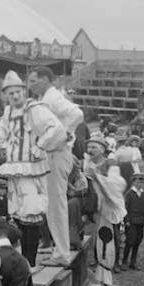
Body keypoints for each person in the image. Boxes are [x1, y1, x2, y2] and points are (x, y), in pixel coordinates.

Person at [0, 70, 67, 267]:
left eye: (18, 92)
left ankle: (31, 263)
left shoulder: (34, 108)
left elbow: (56, 128)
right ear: (6, 95)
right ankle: (24, 262)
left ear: (23, 91)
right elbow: (1, 131)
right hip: (14, 168)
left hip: (32, 168)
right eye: (11, 94)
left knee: (32, 213)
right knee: (18, 213)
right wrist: (2, 142)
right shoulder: (8, 112)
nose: (15, 96)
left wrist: (40, 145)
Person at [27, 66, 84, 267]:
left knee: (56, 204)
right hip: (51, 155)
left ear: (44, 79)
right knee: (51, 204)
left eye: (34, 80)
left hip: (57, 154)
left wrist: (65, 133)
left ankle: (61, 254)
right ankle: (58, 250)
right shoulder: (44, 99)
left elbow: (76, 114)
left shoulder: (53, 97)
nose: (30, 84)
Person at [83, 135, 127, 286]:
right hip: (91, 207)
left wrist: (98, 178)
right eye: (89, 147)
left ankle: (105, 281)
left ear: (102, 149)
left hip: (107, 209)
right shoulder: (87, 164)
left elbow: (118, 184)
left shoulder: (110, 164)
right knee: (96, 239)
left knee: (105, 238)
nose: (90, 150)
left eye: (94, 147)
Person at [121, 173, 144, 270]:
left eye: (142, 182)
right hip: (131, 222)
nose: (140, 184)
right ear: (133, 182)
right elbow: (125, 208)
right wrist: (127, 220)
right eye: (137, 182)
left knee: (137, 241)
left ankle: (133, 262)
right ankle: (124, 261)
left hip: (141, 221)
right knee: (130, 242)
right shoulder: (129, 194)